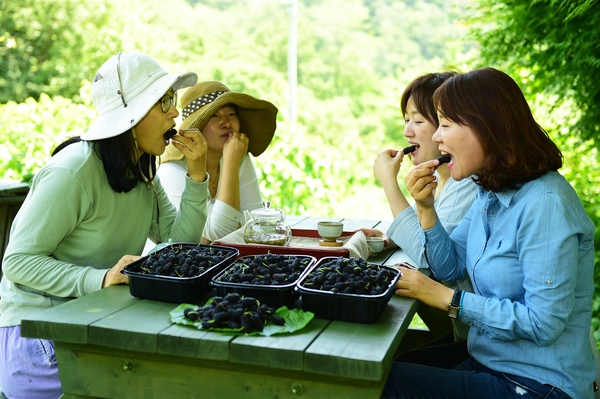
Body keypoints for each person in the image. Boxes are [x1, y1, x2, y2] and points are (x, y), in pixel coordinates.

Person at [0, 51, 210, 399]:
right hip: (37, 339)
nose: (175, 112)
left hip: (90, 320)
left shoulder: (142, 169)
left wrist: (198, 174)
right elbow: (18, 262)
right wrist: (98, 279)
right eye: (164, 102)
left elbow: (178, 243)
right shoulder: (72, 172)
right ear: (132, 114)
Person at [382, 67, 596, 399]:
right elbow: (450, 267)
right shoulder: (490, 191)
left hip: (540, 384)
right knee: (383, 369)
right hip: (491, 361)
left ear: (486, 129)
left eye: (446, 125)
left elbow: (543, 323)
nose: (437, 137)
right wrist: (425, 208)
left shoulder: (546, 205)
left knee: (385, 383)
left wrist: (447, 299)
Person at [360, 72, 478, 366]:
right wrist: (394, 236)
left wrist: (390, 183)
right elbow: (435, 238)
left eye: (418, 121)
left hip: (487, 343)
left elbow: (430, 261)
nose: (407, 132)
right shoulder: (444, 180)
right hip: (471, 332)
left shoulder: (470, 184)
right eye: (406, 120)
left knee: (389, 368)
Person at [158, 81, 278, 244]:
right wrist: (230, 164)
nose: (226, 123)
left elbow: (259, 226)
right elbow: (220, 232)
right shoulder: (172, 171)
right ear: (196, 129)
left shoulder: (238, 157)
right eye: (214, 116)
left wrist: (213, 235)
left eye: (231, 114)